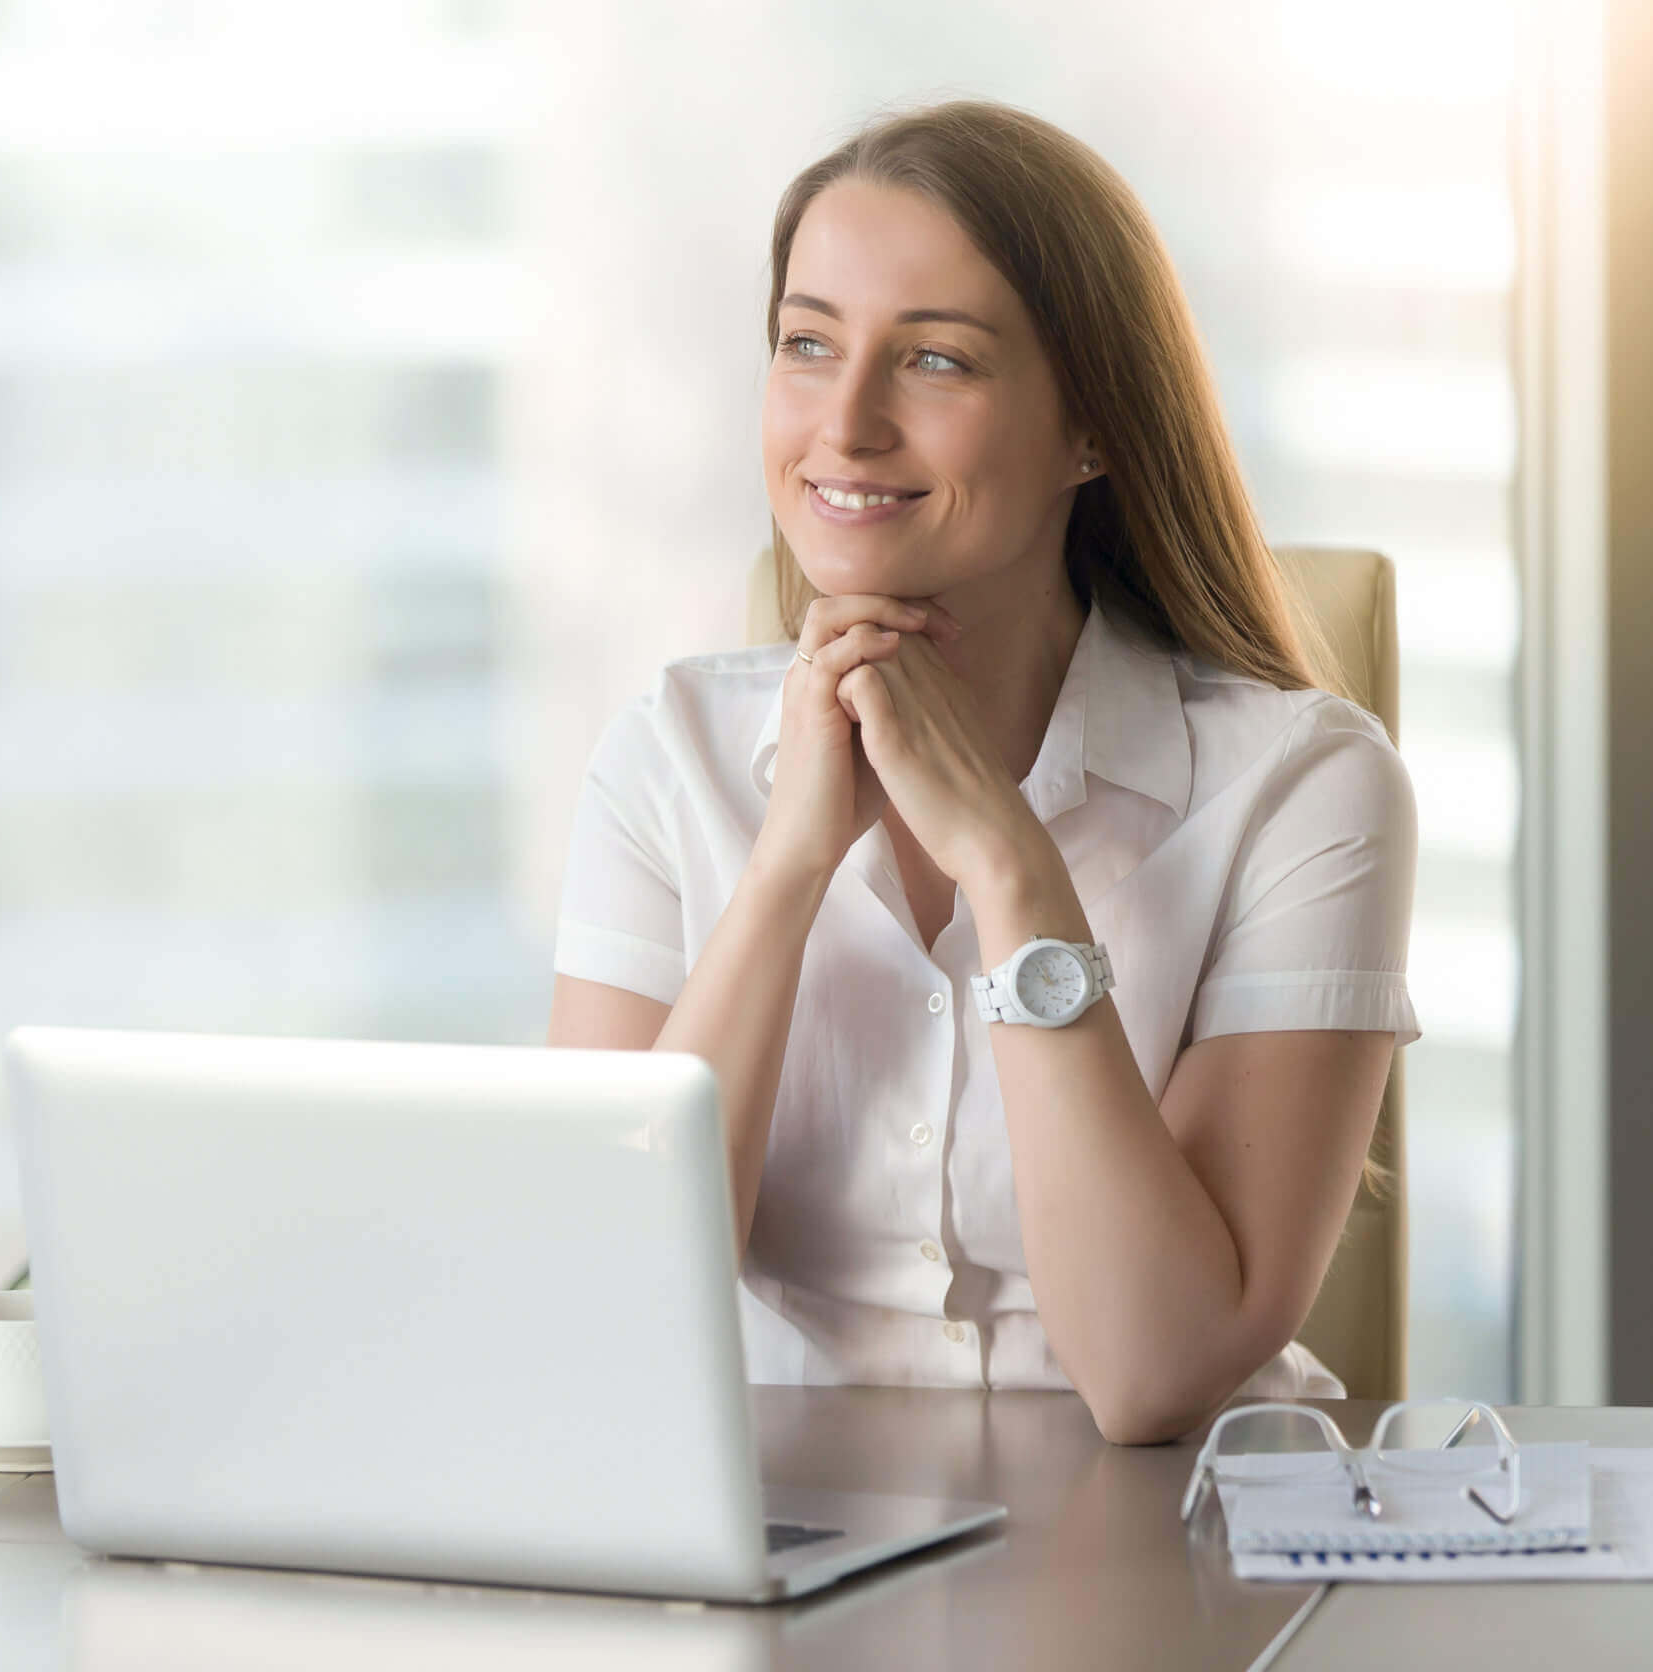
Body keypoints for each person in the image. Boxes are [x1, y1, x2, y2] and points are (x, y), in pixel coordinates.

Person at [544, 101, 1420, 1446]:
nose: (845, 424)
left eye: (937, 362)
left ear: (1095, 429)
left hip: (1163, 1562)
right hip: (783, 1565)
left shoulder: (1304, 789)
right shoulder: (667, 756)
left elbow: (1152, 1370)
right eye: (806, 343)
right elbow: (598, 1316)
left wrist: (1013, 870)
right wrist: (784, 871)